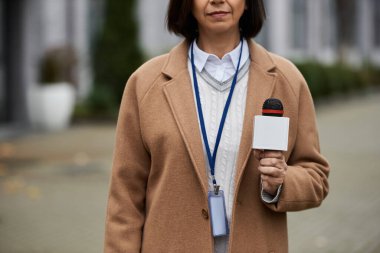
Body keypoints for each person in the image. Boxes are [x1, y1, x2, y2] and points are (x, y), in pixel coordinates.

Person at [104, 0, 330, 252]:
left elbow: (316, 177)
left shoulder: (288, 81)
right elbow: (125, 199)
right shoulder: (145, 84)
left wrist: (281, 181)